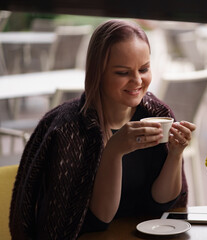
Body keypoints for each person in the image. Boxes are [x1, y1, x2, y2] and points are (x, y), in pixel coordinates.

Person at [9, 19, 195, 239]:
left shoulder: (158, 115)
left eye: (144, 69)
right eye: (122, 73)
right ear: (98, 72)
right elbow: (99, 219)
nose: (137, 80)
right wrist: (114, 151)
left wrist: (175, 154)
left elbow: (162, 203)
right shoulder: (68, 130)